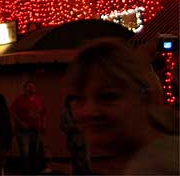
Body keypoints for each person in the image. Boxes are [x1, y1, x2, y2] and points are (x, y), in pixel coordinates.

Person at [66, 37, 179, 175]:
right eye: (79, 99)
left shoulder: (154, 167)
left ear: (146, 98)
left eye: (108, 97)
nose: (89, 111)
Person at [10, 81, 47, 174]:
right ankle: (26, 172)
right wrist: (20, 122)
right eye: (29, 86)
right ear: (25, 89)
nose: (31, 88)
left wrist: (43, 125)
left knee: (34, 152)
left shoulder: (38, 99)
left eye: (33, 86)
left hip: (36, 130)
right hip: (23, 131)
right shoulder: (19, 99)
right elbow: (12, 111)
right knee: (25, 153)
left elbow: (43, 113)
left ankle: (34, 171)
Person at [59, 95, 90, 175]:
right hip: (72, 139)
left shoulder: (81, 110)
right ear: (68, 102)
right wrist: (74, 127)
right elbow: (62, 126)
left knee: (86, 160)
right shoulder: (64, 113)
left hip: (84, 138)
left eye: (75, 101)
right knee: (76, 162)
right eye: (72, 101)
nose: (74, 103)